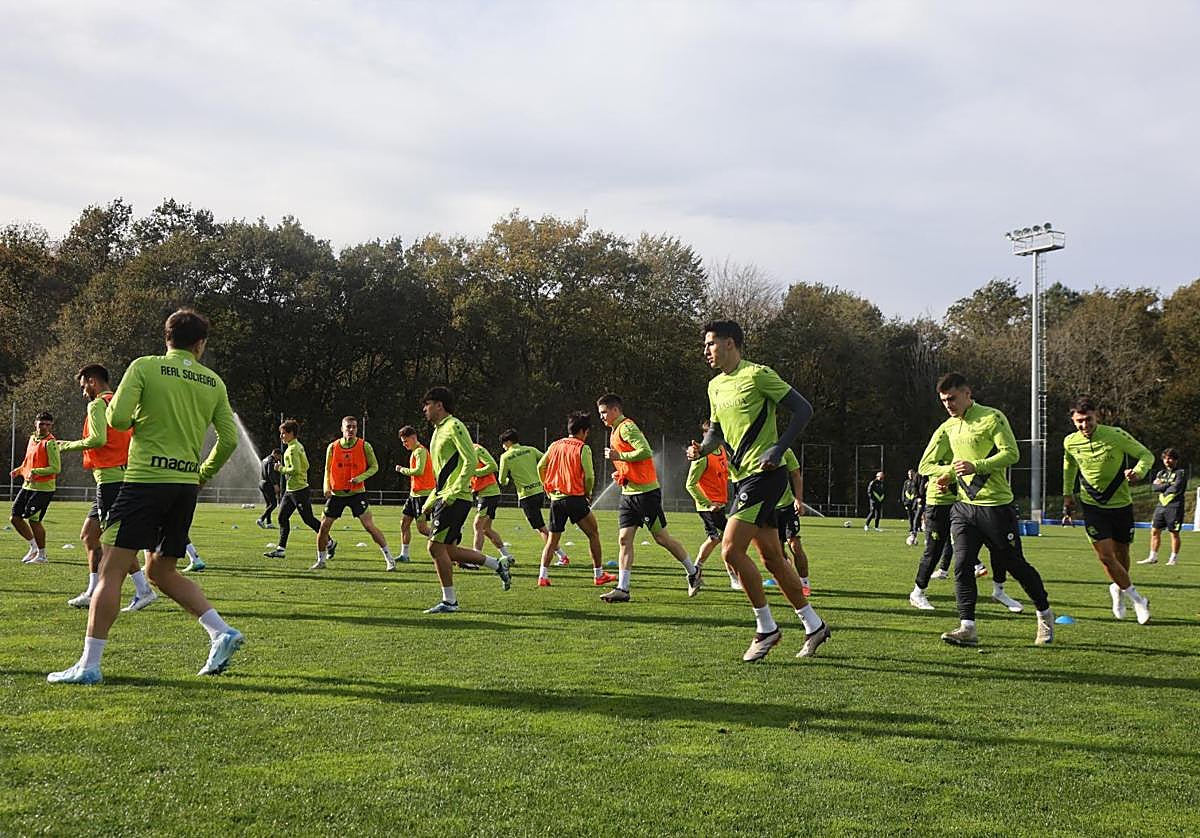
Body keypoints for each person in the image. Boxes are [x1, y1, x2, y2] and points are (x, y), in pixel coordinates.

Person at [48, 308, 243, 684]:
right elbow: (229, 439)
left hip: (142, 482)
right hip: (185, 486)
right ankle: (221, 631)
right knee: (160, 570)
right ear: (200, 344)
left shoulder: (144, 367)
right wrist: (203, 473)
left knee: (111, 569)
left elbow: (118, 420)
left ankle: (88, 665)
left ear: (166, 337)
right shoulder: (213, 382)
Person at [687, 320, 831, 661]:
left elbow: (803, 409)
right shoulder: (715, 386)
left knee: (730, 551)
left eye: (710, 343)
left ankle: (766, 628)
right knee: (772, 559)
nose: (705, 350)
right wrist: (702, 449)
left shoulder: (758, 374)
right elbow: (717, 431)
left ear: (731, 343)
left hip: (765, 476)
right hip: (742, 478)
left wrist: (778, 449)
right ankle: (814, 625)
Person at [918, 372, 1054, 647]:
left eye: (952, 398)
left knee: (1016, 565)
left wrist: (975, 465)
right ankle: (967, 626)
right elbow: (925, 466)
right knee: (962, 565)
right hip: (963, 509)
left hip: (995, 507)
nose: (948, 405)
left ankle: (1044, 614)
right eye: (944, 400)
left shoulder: (992, 417)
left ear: (967, 393)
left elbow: (1011, 453)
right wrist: (949, 473)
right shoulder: (947, 427)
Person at [57, 364, 157, 611]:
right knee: (89, 536)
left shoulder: (97, 405)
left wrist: (65, 446)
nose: (83, 393)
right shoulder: (122, 404)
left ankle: (143, 590)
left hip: (111, 480)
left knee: (113, 541)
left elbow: (98, 439)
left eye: (83, 387)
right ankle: (92, 591)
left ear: (92, 381)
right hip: (118, 477)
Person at [597, 393, 700, 602]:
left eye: (604, 412)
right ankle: (623, 589)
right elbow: (632, 461)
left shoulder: (626, 427)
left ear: (616, 410)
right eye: (600, 413)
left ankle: (693, 571)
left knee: (662, 538)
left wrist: (619, 457)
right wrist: (622, 473)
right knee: (624, 539)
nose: (602, 417)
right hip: (629, 494)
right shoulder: (615, 430)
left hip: (645, 494)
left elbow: (645, 451)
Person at [418, 387, 512, 613]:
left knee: (434, 548)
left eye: (427, 404)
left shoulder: (455, 426)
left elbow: (470, 461)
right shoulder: (438, 431)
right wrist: (430, 501)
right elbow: (442, 474)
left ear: (439, 405)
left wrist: (453, 491)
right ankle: (496, 564)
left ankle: (450, 602)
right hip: (445, 495)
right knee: (448, 550)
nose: (424, 409)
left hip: (456, 498)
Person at [1061, 397, 1153, 624]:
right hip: (1092, 506)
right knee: (1105, 556)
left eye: (1088, 420)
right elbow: (1069, 466)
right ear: (1073, 421)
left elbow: (1146, 455)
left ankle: (1118, 589)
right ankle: (1138, 599)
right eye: (1079, 421)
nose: (1084, 426)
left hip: (1121, 505)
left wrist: (1138, 472)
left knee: (1122, 555)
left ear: (1097, 417)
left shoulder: (1116, 435)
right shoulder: (1070, 442)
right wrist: (1067, 495)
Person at [535, 413, 613, 587]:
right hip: (575, 498)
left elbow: (541, 466)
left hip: (556, 500)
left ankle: (543, 576)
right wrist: (588, 492)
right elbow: (590, 476)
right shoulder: (582, 447)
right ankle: (599, 575)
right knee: (593, 533)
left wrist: (546, 486)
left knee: (552, 540)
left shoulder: (555, 445)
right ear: (584, 431)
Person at [314, 416, 393, 571]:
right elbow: (327, 469)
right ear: (342, 428)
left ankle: (389, 559)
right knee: (323, 527)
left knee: (369, 526)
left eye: (354, 427)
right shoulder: (333, 447)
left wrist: (360, 478)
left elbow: (374, 466)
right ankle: (321, 560)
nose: (351, 430)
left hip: (357, 493)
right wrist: (326, 487)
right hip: (337, 494)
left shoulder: (365, 446)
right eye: (348, 426)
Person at [498, 429, 569, 566]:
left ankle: (562, 555)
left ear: (508, 442)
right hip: (539, 491)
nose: (503, 447)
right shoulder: (530, 450)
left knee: (541, 527)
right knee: (539, 526)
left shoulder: (506, 456)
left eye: (503, 444)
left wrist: (507, 480)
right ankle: (559, 554)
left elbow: (502, 480)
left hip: (526, 495)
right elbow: (547, 460)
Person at [262, 419, 326, 560]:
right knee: (282, 517)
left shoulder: (291, 450)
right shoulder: (298, 446)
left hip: (298, 490)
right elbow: (307, 465)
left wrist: (281, 469)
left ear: (291, 433)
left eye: (283, 433)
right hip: (291, 490)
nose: (281, 436)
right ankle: (281, 549)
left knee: (308, 519)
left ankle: (329, 542)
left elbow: (295, 469)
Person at [685, 421, 734, 587]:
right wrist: (708, 504)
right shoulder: (701, 457)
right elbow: (690, 485)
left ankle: (695, 571)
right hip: (709, 507)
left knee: (716, 539)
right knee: (728, 539)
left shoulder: (722, 451)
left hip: (721, 504)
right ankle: (734, 579)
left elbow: (725, 472)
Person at [9, 411, 59, 564]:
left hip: (43, 489)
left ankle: (42, 556)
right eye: (41, 423)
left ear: (51, 426)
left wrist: (36, 471)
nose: (44, 427)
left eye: (48, 424)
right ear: (35, 423)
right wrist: (19, 470)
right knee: (15, 518)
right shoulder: (32, 439)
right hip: (28, 486)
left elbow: (55, 468)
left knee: (34, 520)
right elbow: (28, 461)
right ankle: (34, 547)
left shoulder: (50, 443)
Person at [772, 447, 812, 597]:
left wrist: (799, 500)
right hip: (768, 509)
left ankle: (804, 583)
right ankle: (788, 581)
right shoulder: (754, 449)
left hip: (787, 507)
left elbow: (796, 474)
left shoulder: (785, 450)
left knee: (794, 545)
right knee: (777, 551)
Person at [470, 439, 514, 562]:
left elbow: (493, 466)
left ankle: (476, 559)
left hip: (489, 493)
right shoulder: (464, 452)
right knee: (486, 529)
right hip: (485, 493)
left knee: (477, 525)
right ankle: (507, 556)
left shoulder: (477, 449)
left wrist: (475, 472)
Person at [394, 425, 434, 563]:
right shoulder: (415, 452)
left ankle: (447, 542)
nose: (404, 444)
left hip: (423, 496)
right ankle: (404, 555)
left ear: (413, 438)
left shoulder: (420, 452)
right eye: (403, 442)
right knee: (404, 523)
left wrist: (401, 469)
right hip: (414, 495)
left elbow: (419, 471)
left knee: (422, 529)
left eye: (406, 441)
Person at [1142, 447, 1187, 566]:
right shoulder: (1161, 473)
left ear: (1175, 460)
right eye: (1165, 458)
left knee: (1174, 532)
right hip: (1161, 505)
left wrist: (1163, 485)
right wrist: (1167, 485)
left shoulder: (1180, 473)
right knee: (1154, 531)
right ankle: (1152, 557)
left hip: (1175, 506)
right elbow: (1154, 487)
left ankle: (1173, 558)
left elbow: (1176, 487)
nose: (1167, 461)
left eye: (1170, 458)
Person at [255, 449, 279, 529]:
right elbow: (270, 473)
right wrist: (275, 484)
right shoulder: (271, 460)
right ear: (275, 454)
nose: (278, 459)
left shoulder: (265, 459)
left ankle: (269, 523)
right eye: (279, 456)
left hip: (261, 483)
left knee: (269, 504)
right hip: (267, 484)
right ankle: (261, 519)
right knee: (274, 504)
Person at [902, 469, 921, 543]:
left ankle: (917, 528)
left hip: (915, 502)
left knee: (917, 515)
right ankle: (912, 528)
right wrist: (904, 501)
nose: (910, 476)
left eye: (911, 474)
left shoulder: (916, 482)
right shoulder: (906, 482)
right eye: (909, 474)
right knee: (910, 516)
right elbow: (904, 492)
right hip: (908, 502)